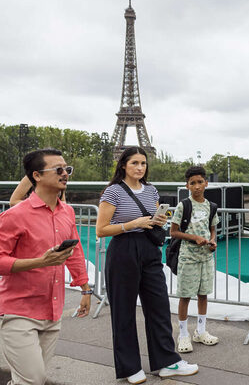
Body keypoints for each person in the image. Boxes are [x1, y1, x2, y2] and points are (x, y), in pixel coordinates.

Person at [96, 146, 198, 383]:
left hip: (149, 249)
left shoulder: (151, 190)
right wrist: (131, 224)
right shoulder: (113, 192)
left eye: (143, 163)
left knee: (159, 306)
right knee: (123, 311)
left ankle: (167, 362)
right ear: (123, 165)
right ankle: (130, 367)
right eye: (134, 163)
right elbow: (101, 229)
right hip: (123, 248)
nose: (140, 168)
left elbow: (153, 221)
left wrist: (159, 220)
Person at [0, 149, 91, 384]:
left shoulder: (68, 211)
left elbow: (75, 252)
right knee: (33, 379)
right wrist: (41, 262)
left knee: (29, 380)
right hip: (18, 312)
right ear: (37, 176)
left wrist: (85, 288)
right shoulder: (15, 215)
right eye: (58, 170)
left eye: (67, 169)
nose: (65, 174)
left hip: (52, 311)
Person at [170, 166, 220, 353]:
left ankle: (200, 331)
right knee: (185, 296)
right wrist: (194, 238)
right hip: (188, 258)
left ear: (206, 183)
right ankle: (183, 334)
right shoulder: (184, 205)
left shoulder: (211, 206)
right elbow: (173, 231)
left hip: (205, 258)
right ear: (187, 186)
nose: (197, 186)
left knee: (203, 294)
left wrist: (212, 241)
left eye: (200, 182)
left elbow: (213, 228)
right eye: (193, 183)